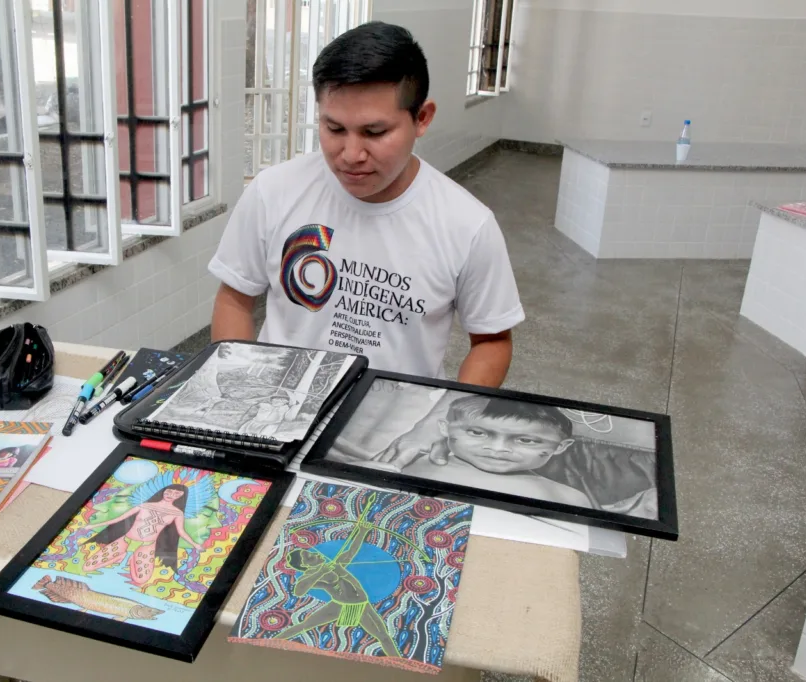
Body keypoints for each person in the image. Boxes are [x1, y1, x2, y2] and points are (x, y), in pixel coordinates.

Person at [207, 21, 524, 391]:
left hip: (395, 433)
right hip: (278, 417)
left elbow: (491, 340)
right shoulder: (273, 191)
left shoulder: (467, 225)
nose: (351, 155)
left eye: (374, 133)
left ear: (422, 118)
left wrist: (446, 414)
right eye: (334, 129)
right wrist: (235, 392)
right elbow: (235, 298)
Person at [395, 395, 591, 508]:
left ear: (560, 447)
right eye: (477, 433)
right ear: (445, 428)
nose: (498, 449)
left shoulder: (568, 497)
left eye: (526, 440)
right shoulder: (409, 461)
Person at [275, 517, 401, 657]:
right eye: (310, 556)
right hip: (339, 605)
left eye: (311, 552)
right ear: (305, 565)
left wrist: (362, 532)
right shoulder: (313, 574)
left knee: (383, 635)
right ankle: (272, 643)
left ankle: (400, 663)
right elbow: (299, 591)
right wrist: (320, 572)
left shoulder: (334, 564)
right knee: (304, 626)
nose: (315, 553)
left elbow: (351, 551)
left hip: (360, 605)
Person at [81, 484, 204, 587]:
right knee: (87, 567)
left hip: (147, 545)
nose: (171, 495)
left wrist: (195, 544)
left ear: (181, 497)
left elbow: (181, 531)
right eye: (169, 491)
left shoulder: (177, 513)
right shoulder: (144, 505)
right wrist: (94, 525)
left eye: (176, 494)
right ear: (163, 491)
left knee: (141, 580)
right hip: (126, 540)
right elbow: (120, 518)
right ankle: (120, 556)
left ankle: (127, 557)